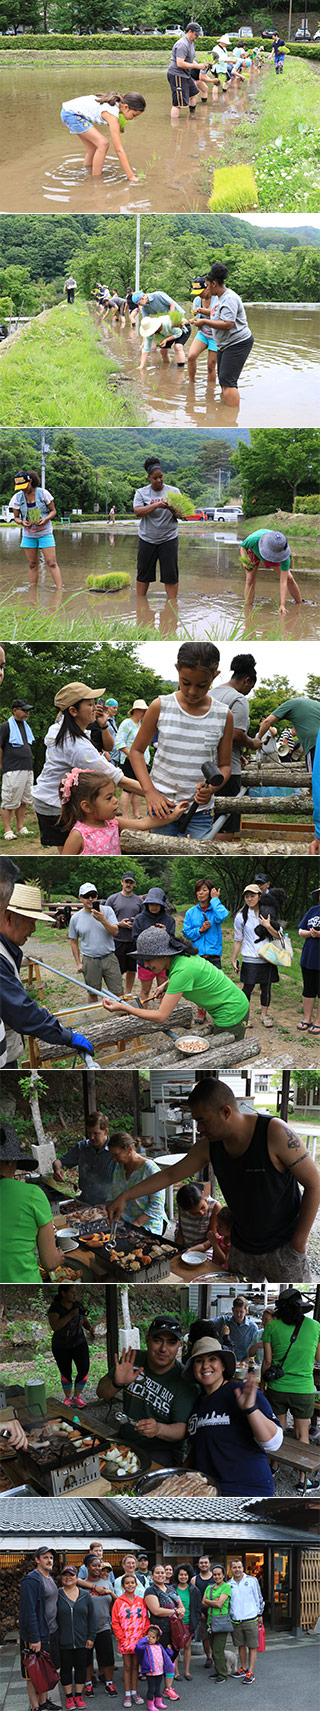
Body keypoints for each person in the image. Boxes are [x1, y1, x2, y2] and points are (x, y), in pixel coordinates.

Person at [107, 1077, 320, 1283]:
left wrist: (299, 1242)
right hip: (242, 1245)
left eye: (202, 1120)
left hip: (283, 1247)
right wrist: (125, 1195)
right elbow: (170, 1175)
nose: (199, 1128)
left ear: (226, 1112)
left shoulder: (274, 1133)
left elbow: (314, 1183)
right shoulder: (209, 1146)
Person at [128, 641, 233, 839]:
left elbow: (225, 765)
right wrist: (149, 792)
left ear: (215, 676)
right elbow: (136, 751)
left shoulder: (223, 714)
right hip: (162, 806)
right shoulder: (161, 706)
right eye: (185, 682)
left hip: (200, 810)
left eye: (202, 685)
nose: (192, 691)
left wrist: (212, 789)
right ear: (177, 670)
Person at [0, 879, 93, 1069]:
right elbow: (22, 1012)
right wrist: (67, 1037)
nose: (34, 930)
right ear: (9, 918)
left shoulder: (7, 949)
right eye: (31, 922)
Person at [32, 680, 134, 850]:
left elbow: (109, 746)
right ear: (73, 711)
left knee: (76, 848)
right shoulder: (75, 744)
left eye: (95, 703)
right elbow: (117, 778)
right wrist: (153, 793)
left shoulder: (61, 729)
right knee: (72, 850)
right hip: (54, 804)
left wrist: (102, 725)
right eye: (89, 704)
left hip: (52, 799)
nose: (95, 708)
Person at [104, 929, 249, 1042]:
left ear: (164, 954)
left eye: (149, 959)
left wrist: (124, 1007)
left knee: (224, 1056)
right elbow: (191, 975)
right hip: (228, 1006)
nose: (146, 965)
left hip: (232, 1012)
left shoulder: (182, 971)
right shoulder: (181, 958)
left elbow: (161, 1016)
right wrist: (166, 985)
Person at [97, 1314, 198, 1469]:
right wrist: (116, 1383)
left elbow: (184, 1430)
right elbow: (101, 1392)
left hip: (164, 1450)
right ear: (147, 1339)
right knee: (92, 1459)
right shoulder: (133, 1359)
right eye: (157, 1340)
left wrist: (158, 1429)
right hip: (126, 1440)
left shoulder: (185, 1381)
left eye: (171, 1342)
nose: (163, 1349)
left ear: (180, 1345)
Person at [188, 1335, 282, 1494]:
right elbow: (198, 1448)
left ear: (223, 1365)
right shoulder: (197, 1403)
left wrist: (250, 1409)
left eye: (212, 1359)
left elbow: (274, 1443)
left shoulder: (241, 1392)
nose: (205, 1366)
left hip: (248, 1489)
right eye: (199, 1360)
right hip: (210, 1490)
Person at [262, 1288, 320, 1491]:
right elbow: (319, 1359)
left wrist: (263, 1384)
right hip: (303, 1389)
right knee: (302, 1434)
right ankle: (303, 1480)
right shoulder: (315, 1326)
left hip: (277, 1387)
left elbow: (268, 1362)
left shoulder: (271, 1326)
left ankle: (273, 1467)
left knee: (278, 1429)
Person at [0, 1122, 63, 1287]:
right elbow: (49, 1263)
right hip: (24, 1284)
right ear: (10, 1162)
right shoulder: (32, 1194)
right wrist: (59, 1256)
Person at [61, 769, 184, 853]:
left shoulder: (114, 823)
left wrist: (172, 817)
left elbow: (143, 823)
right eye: (109, 798)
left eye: (115, 795)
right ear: (87, 807)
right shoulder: (79, 835)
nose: (116, 800)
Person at [213, 654, 260, 832]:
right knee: (225, 825)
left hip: (204, 766)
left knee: (207, 818)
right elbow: (236, 735)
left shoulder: (211, 692)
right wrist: (253, 743)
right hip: (228, 771)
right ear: (247, 680)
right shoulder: (238, 699)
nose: (249, 691)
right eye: (251, 687)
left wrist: (238, 753)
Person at [60, 92, 146, 183]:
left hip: (69, 112)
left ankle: (87, 173)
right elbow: (119, 150)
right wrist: (131, 176)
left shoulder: (116, 104)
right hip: (71, 115)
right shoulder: (112, 116)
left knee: (93, 149)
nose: (134, 118)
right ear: (125, 107)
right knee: (103, 144)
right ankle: (96, 181)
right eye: (134, 115)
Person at [133, 456, 182, 606]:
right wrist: (157, 505)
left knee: (170, 574)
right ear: (149, 478)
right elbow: (137, 511)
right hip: (147, 538)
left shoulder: (173, 491)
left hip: (169, 539)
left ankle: (172, 606)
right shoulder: (141, 493)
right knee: (143, 574)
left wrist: (173, 509)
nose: (159, 480)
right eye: (155, 478)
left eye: (160, 477)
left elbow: (181, 515)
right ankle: (141, 606)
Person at [203, 263, 254, 409]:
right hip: (225, 344)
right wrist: (203, 312)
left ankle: (231, 416)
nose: (206, 289)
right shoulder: (219, 297)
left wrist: (204, 321)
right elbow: (217, 314)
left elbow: (228, 324)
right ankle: (225, 408)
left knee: (227, 382)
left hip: (238, 343)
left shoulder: (229, 298)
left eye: (207, 285)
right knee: (224, 379)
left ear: (214, 283)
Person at [233, 881, 280, 1028]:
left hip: (268, 957)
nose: (249, 899)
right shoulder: (241, 916)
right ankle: (244, 1016)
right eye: (246, 896)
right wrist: (234, 958)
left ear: (259, 896)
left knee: (266, 987)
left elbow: (278, 936)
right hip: (249, 957)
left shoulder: (268, 913)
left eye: (252, 896)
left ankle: (264, 1015)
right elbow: (237, 939)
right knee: (248, 988)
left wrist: (267, 925)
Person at [8, 469, 62, 596]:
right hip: (29, 535)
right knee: (32, 564)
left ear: (30, 481)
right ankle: (33, 592)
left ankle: (60, 591)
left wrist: (45, 519)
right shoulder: (17, 497)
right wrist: (21, 522)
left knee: (52, 562)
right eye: (19, 487)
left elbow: (53, 511)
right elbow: (16, 517)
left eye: (24, 486)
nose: (22, 489)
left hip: (45, 533)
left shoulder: (43, 494)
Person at [68, 881, 122, 996]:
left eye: (93, 895)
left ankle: (121, 1014)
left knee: (118, 993)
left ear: (97, 896)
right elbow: (73, 941)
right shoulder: (75, 918)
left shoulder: (107, 911)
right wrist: (78, 963)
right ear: (80, 898)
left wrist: (102, 919)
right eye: (87, 896)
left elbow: (115, 931)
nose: (90, 899)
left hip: (109, 957)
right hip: (90, 960)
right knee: (93, 994)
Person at [19, 1548, 58, 1711]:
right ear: (37, 1560)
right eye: (45, 1558)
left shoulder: (49, 1578)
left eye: (51, 1558)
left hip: (49, 1632)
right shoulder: (32, 1580)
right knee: (33, 1672)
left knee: (45, 1669)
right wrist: (34, 1638)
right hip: (36, 1634)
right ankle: (36, 1707)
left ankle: (44, 1702)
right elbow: (29, 1612)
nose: (49, 1560)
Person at [106, 1130, 165, 1234]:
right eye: (112, 1155)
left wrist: (135, 1225)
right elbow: (113, 1194)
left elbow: (157, 1206)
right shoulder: (119, 1168)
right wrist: (109, 1207)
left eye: (117, 1155)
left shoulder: (149, 1169)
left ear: (130, 1149)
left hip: (147, 1226)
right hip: (125, 1223)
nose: (113, 1159)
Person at [54, 1108, 114, 1205]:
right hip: (84, 1201)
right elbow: (59, 1161)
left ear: (106, 1131)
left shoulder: (115, 1151)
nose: (92, 1137)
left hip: (107, 1205)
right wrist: (57, 1169)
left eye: (96, 1133)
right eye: (89, 1133)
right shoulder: (82, 1147)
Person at [57, 1563, 95, 1711]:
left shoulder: (85, 1595)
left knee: (81, 1668)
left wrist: (91, 1637)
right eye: (65, 1575)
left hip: (82, 1640)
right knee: (66, 1669)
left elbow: (92, 1618)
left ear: (76, 1577)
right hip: (63, 1641)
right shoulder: (57, 1594)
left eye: (71, 1575)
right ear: (61, 1578)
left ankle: (78, 1695)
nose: (68, 1578)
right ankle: (68, 1698)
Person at [48, 1285, 94, 1407]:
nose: (74, 1295)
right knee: (65, 1371)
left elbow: (84, 1319)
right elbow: (55, 1326)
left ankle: (76, 1396)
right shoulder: (55, 1308)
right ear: (63, 1293)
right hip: (61, 1345)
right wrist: (70, 1315)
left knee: (84, 1369)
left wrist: (89, 1327)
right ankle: (68, 1398)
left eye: (75, 1293)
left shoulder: (77, 1304)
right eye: (72, 1292)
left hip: (79, 1342)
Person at [240, 528, 301, 616]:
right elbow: (243, 546)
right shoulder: (254, 539)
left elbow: (283, 581)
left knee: (289, 578)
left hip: (274, 554)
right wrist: (244, 561)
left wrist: (282, 605)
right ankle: (247, 609)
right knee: (250, 579)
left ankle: (299, 603)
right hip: (254, 551)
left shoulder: (283, 555)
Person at [144, 1567, 183, 1697]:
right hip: (160, 1631)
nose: (160, 1575)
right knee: (161, 1660)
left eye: (162, 1572)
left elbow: (180, 1606)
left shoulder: (171, 1589)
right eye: (157, 1572)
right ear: (152, 1575)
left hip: (175, 1629)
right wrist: (175, 1611)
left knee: (172, 1657)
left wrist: (181, 1611)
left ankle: (168, 1688)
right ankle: (156, 1691)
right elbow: (156, 1610)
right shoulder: (150, 1590)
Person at [0, 696, 35, 841]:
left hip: (27, 768)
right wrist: (1, 764)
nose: (27, 713)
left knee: (24, 799)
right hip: (13, 768)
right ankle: (7, 830)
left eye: (28, 711)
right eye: (24, 710)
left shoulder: (25, 726)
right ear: (15, 710)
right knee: (9, 800)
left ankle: (21, 827)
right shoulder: (6, 726)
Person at [131, 886, 175, 1001]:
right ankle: (143, 1016)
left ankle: (164, 1016)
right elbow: (135, 940)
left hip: (164, 961)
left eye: (157, 904)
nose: (154, 907)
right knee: (145, 991)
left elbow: (173, 942)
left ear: (162, 905)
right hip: (145, 961)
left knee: (164, 991)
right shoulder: (139, 919)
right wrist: (147, 933)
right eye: (151, 903)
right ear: (147, 904)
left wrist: (165, 933)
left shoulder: (169, 920)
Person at [111, 1572, 148, 1708]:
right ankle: (127, 1694)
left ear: (136, 1584)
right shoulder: (118, 1602)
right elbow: (115, 1622)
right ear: (122, 1585)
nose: (130, 1585)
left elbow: (146, 1620)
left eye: (132, 1582)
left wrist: (144, 1636)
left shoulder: (141, 1601)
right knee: (126, 1667)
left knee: (135, 1668)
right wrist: (121, 1638)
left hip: (139, 1640)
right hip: (125, 1640)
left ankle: (134, 1692)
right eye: (127, 1583)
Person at [258, 696, 320, 774]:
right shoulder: (316, 704)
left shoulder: (290, 704)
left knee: (315, 777)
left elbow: (267, 722)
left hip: (314, 744)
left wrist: (258, 739)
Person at [83, 1555, 117, 1697]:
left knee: (107, 1657)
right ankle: (88, 1684)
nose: (97, 1568)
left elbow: (115, 1604)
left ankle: (109, 1683)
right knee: (86, 1658)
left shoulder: (107, 1583)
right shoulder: (81, 1584)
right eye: (94, 1565)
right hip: (85, 1628)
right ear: (87, 1567)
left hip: (104, 1626)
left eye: (99, 1565)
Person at [133, 290, 190, 373]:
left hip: (177, 321)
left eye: (139, 303)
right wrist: (144, 341)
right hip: (164, 325)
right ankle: (166, 370)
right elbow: (145, 321)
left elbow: (172, 304)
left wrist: (172, 320)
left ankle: (180, 372)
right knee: (162, 350)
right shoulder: (145, 307)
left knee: (178, 347)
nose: (139, 306)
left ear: (143, 298)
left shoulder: (158, 295)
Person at [105, 873, 143, 996]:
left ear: (134, 884)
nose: (128, 884)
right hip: (118, 939)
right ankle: (117, 993)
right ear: (122, 882)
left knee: (132, 969)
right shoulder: (112, 899)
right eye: (126, 882)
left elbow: (143, 918)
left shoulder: (139, 901)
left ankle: (128, 993)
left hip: (133, 940)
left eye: (131, 882)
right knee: (117, 970)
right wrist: (118, 923)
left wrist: (135, 922)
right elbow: (105, 918)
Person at [229, 1558, 264, 1683]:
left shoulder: (252, 1580)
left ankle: (250, 1671)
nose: (237, 1569)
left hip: (251, 1618)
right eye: (234, 1567)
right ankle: (243, 1668)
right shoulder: (229, 1584)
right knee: (240, 1645)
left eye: (239, 1567)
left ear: (243, 1568)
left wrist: (260, 1613)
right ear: (231, 1569)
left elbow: (259, 1597)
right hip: (236, 1620)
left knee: (252, 1646)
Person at [182, 879, 229, 971]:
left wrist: (215, 899)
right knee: (198, 985)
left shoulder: (215, 910)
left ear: (211, 892)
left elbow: (222, 916)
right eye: (198, 890)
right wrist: (200, 930)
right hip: (197, 956)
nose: (200, 893)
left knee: (215, 985)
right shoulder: (190, 912)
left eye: (204, 890)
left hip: (214, 956)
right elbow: (186, 933)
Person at [117, 700, 150, 821]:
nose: (145, 712)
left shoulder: (141, 724)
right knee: (128, 789)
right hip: (130, 760)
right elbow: (119, 742)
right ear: (136, 710)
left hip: (141, 761)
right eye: (143, 710)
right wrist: (131, 755)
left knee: (138, 788)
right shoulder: (127, 723)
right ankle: (125, 816)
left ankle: (136, 814)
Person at [167, 22, 206, 116]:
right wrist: (197, 66)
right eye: (196, 34)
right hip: (177, 75)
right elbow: (180, 63)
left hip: (185, 74)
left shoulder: (191, 44)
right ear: (190, 31)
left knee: (194, 93)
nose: (197, 36)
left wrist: (200, 65)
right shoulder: (182, 44)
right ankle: (175, 128)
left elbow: (190, 60)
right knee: (178, 104)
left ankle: (192, 116)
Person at [202, 1564, 232, 1683]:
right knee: (213, 1649)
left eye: (219, 1574)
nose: (217, 1576)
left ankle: (223, 1674)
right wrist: (213, 1602)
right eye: (214, 1574)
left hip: (221, 1622)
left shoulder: (226, 1587)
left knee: (218, 1650)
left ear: (223, 1575)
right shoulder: (209, 1587)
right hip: (210, 1621)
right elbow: (202, 1603)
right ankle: (218, 1670)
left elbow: (219, 1604)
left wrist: (209, 1601)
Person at [135, 1623, 175, 1709]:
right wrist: (143, 1640)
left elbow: (166, 1656)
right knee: (151, 1689)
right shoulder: (145, 1647)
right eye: (148, 1637)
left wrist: (169, 1651)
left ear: (157, 1638)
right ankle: (150, 1705)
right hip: (150, 1672)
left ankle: (158, 1702)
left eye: (153, 1637)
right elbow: (138, 1647)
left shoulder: (159, 1646)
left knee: (158, 1688)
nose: (150, 1639)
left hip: (159, 1671)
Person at [188, 275, 218, 385]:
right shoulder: (197, 300)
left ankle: (210, 392)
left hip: (216, 336)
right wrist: (190, 321)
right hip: (203, 334)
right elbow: (198, 318)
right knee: (191, 356)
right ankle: (191, 385)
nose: (199, 294)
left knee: (211, 366)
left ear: (207, 287)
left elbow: (218, 314)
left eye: (200, 291)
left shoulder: (217, 299)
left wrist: (201, 310)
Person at [298, 888, 320, 1035]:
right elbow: (300, 930)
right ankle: (307, 1018)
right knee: (308, 989)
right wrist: (310, 933)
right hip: (309, 957)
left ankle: (319, 1021)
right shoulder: (313, 910)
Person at [211, 1296, 260, 1363]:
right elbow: (207, 1324)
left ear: (246, 1311)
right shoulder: (223, 1321)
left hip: (243, 1363)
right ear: (232, 1310)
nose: (238, 1314)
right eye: (236, 1311)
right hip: (223, 1362)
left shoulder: (253, 1328)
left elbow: (254, 1351)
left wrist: (242, 1363)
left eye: (241, 1312)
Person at [172, 1566, 200, 1681]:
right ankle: (176, 1672)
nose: (183, 1577)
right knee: (176, 1648)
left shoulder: (194, 1590)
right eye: (180, 1575)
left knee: (187, 1646)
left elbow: (197, 1608)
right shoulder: (172, 1589)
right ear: (177, 1576)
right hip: (175, 1623)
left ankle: (187, 1671)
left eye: (185, 1575)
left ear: (189, 1576)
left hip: (188, 1622)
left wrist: (195, 1622)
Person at [175, 1183, 218, 1254]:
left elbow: (211, 1239)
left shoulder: (214, 1207)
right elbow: (180, 1232)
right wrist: (177, 1249)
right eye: (194, 1213)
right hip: (186, 1247)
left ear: (203, 1194)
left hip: (205, 1250)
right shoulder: (182, 1207)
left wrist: (192, 1250)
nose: (201, 1213)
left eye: (202, 1207)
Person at [190, 1557, 214, 1669]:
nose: (204, 1565)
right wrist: (199, 1613)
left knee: (216, 1636)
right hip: (201, 1613)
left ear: (209, 1564)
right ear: (198, 1565)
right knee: (204, 1637)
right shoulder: (194, 1580)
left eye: (206, 1563)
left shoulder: (216, 1577)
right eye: (201, 1563)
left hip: (215, 1613)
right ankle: (208, 1657)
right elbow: (193, 1599)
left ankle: (217, 1656)